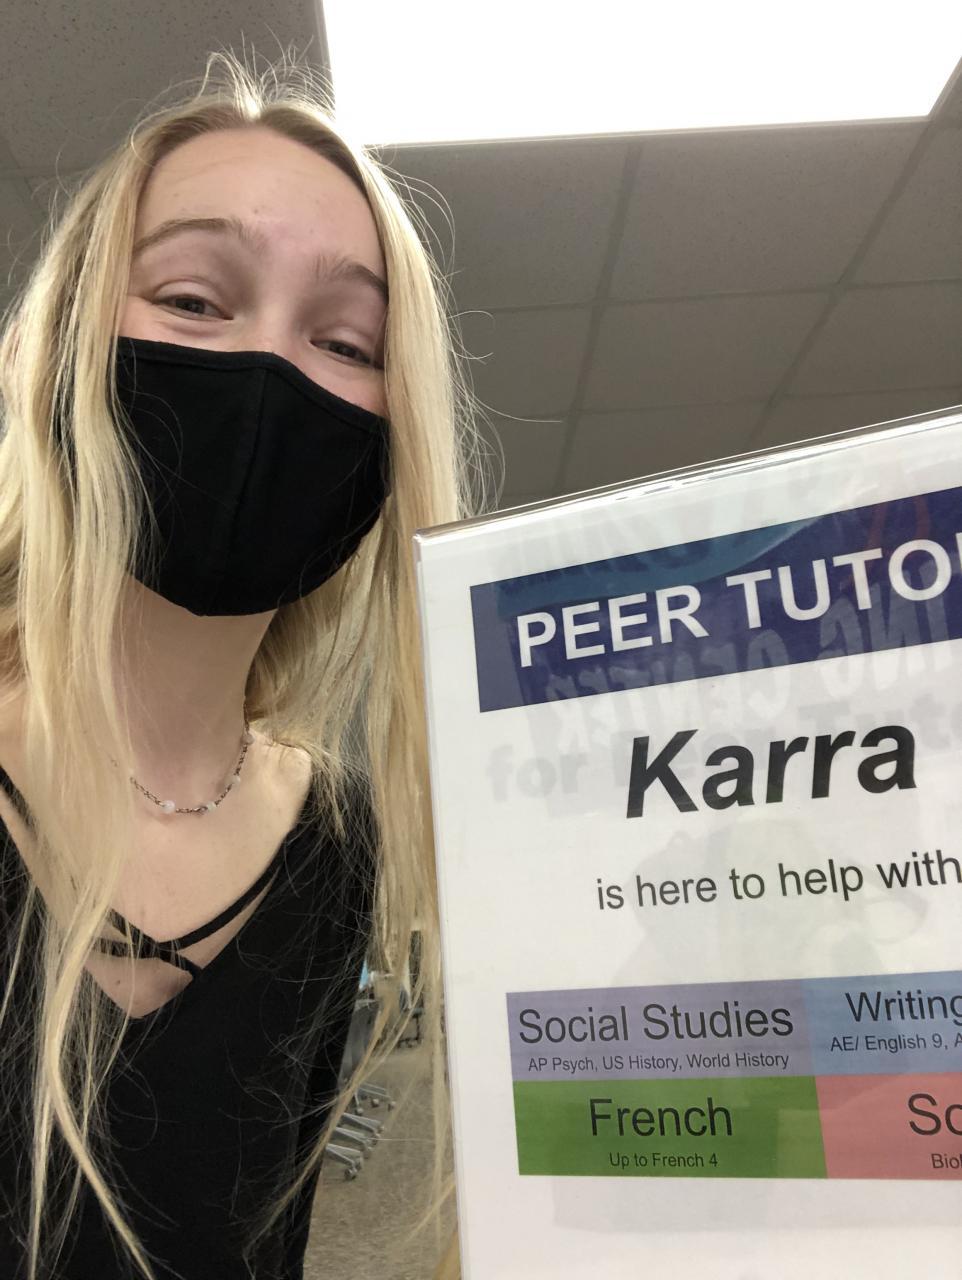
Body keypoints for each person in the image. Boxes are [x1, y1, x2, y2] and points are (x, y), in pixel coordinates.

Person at [0, 50, 474, 1280]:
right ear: (57, 346)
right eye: (193, 301)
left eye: (345, 340)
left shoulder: (338, 848)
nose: (269, 372)